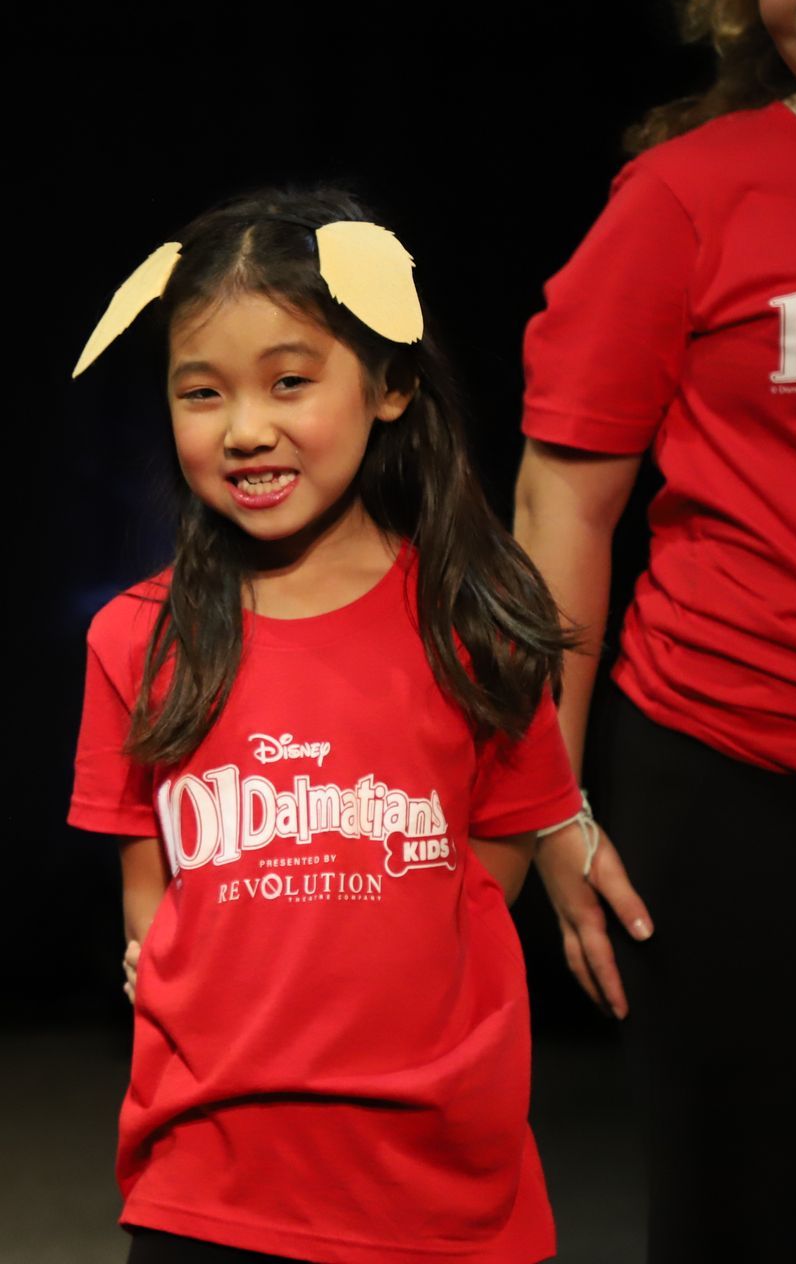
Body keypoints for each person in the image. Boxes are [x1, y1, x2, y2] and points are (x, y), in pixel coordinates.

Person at [68, 189, 588, 1264]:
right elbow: (148, 895)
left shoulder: (474, 631)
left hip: (441, 1200)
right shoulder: (136, 639)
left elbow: (486, 878)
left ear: (391, 384)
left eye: (290, 381)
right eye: (201, 392)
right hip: (208, 1186)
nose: (246, 427)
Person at [513, 0, 796, 1255]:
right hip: (735, 774)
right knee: (749, 1214)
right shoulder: (693, 193)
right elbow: (563, 509)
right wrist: (548, 800)